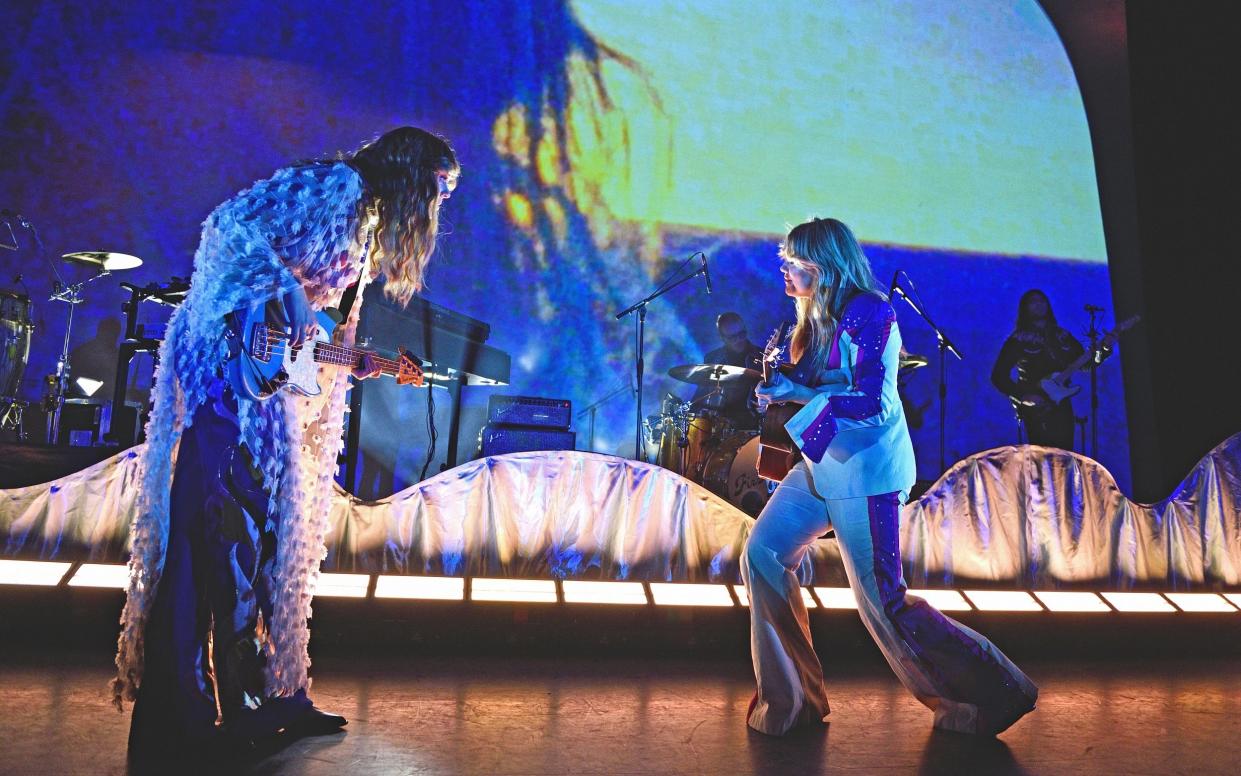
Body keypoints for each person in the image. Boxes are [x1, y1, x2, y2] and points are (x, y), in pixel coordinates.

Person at [113, 127, 459, 758]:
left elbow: (303, 344)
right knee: (212, 540)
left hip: (264, 393)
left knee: (262, 549)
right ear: (409, 175)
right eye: (436, 189)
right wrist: (290, 290)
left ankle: (275, 698)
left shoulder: (363, 228)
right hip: (224, 375)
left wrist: (352, 360)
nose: (436, 207)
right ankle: (183, 722)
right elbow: (227, 229)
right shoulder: (337, 185)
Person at [743, 217, 1037, 737]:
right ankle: (791, 703)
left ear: (825, 267)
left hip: (867, 473)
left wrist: (799, 394)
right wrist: (783, 386)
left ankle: (993, 694)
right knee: (763, 554)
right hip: (823, 466)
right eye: (784, 260)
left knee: (884, 603)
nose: (784, 270)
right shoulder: (813, 317)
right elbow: (821, 391)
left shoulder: (869, 312)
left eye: (794, 262)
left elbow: (873, 405)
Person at [990, 289, 1085, 450]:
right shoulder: (1018, 339)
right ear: (1025, 308)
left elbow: (1085, 363)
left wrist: (1103, 350)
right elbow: (998, 376)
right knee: (1041, 460)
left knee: (1064, 457)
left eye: (1042, 301)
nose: (1039, 304)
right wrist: (1023, 396)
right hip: (1037, 409)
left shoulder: (1062, 335)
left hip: (1061, 405)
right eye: (1033, 302)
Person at [691, 311, 764, 428]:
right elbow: (701, 395)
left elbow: (776, 397)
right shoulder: (712, 358)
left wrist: (765, 407)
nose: (739, 340)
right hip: (718, 424)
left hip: (752, 424)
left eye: (742, 334)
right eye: (732, 337)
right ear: (722, 338)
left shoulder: (763, 357)